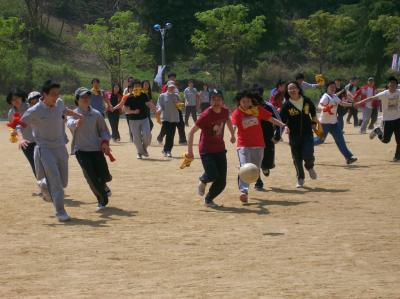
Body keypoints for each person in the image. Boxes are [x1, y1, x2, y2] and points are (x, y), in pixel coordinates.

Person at [21, 80, 83, 222]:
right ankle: (60, 211)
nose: (56, 97)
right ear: (44, 95)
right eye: (53, 95)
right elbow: (20, 125)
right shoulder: (34, 111)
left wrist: (77, 115)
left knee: (63, 182)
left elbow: (64, 110)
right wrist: (20, 138)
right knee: (55, 180)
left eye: (57, 94)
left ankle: (44, 184)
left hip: (60, 147)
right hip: (45, 148)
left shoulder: (59, 103)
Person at [231, 90, 285, 203]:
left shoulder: (257, 110)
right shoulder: (237, 112)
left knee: (255, 170)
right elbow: (234, 125)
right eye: (243, 101)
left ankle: (251, 182)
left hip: (259, 145)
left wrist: (283, 125)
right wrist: (232, 135)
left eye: (248, 101)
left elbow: (271, 118)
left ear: (251, 101)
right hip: (243, 145)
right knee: (244, 167)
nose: (245, 103)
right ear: (239, 102)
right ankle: (243, 191)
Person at [187, 89, 236, 207]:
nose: (216, 102)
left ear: (222, 101)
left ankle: (208, 199)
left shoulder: (225, 111)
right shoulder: (206, 115)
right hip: (206, 150)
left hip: (220, 149)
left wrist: (232, 134)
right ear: (210, 101)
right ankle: (203, 180)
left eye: (219, 99)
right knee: (213, 174)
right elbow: (191, 132)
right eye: (213, 99)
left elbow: (228, 120)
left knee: (222, 182)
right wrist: (190, 152)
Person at [67, 87, 113, 211]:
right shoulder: (73, 114)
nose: (86, 99)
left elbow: (103, 130)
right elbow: (69, 123)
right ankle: (102, 199)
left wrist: (104, 142)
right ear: (77, 99)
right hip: (81, 150)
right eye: (83, 97)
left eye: (88, 96)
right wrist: (76, 124)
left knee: (103, 175)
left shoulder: (96, 114)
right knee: (91, 176)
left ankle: (103, 185)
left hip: (96, 149)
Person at [280, 81, 318, 188]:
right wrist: (285, 127)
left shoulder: (306, 101)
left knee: (308, 154)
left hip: (307, 134)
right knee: (297, 158)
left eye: (294, 88)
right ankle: (300, 178)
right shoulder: (286, 105)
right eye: (289, 89)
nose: (292, 90)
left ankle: (310, 166)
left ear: (298, 89)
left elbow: (313, 112)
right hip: (294, 135)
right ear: (287, 91)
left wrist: (314, 123)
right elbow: (282, 120)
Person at [356, 76, 400, 162]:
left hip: (398, 119)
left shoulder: (399, 92)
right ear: (388, 85)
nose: (392, 86)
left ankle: (397, 157)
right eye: (391, 85)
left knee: (399, 140)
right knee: (386, 140)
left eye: (394, 85)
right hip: (387, 120)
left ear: (396, 86)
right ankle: (377, 131)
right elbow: (371, 98)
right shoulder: (384, 94)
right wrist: (360, 102)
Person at [314, 81, 358, 164]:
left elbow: (342, 103)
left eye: (334, 87)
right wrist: (323, 108)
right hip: (324, 123)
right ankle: (304, 143)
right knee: (320, 140)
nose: (333, 88)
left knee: (340, 140)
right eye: (331, 87)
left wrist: (352, 105)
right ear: (327, 88)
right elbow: (319, 105)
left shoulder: (334, 96)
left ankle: (348, 158)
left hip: (334, 123)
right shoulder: (325, 96)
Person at [113, 80, 156, 159]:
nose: (137, 88)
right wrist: (133, 111)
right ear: (132, 88)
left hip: (144, 119)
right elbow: (125, 109)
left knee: (148, 136)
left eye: (139, 86)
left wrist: (156, 111)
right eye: (135, 86)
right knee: (137, 138)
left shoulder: (144, 95)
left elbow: (149, 104)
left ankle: (143, 149)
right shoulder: (129, 97)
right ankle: (140, 153)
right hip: (133, 120)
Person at [252, 85, 282, 191]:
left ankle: (265, 167)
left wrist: (278, 135)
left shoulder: (268, 106)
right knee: (255, 160)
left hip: (268, 138)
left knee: (267, 162)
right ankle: (258, 181)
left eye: (258, 95)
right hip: (253, 138)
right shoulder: (248, 107)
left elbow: (278, 119)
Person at [158, 72, 187, 145]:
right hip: (168, 109)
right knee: (166, 125)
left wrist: (180, 104)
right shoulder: (165, 87)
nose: (173, 79)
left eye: (174, 77)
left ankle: (182, 140)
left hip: (176, 108)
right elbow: (163, 98)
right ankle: (160, 137)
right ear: (168, 78)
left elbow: (178, 97)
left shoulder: (175, 87)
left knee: (181, 124)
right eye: (172, 78)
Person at [156, 81, 181, 157]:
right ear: (167, 87)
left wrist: (176, 103)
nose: (172, 88)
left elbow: (180, 107)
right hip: (166, 118)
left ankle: (168, 150)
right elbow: (159, 104)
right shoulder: (162, 96)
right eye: (170, 87)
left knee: (171, 135)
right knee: (167, 133)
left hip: (174, 118)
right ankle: (166, 149)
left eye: (173, 87)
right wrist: (159, 109)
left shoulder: (176, 96)